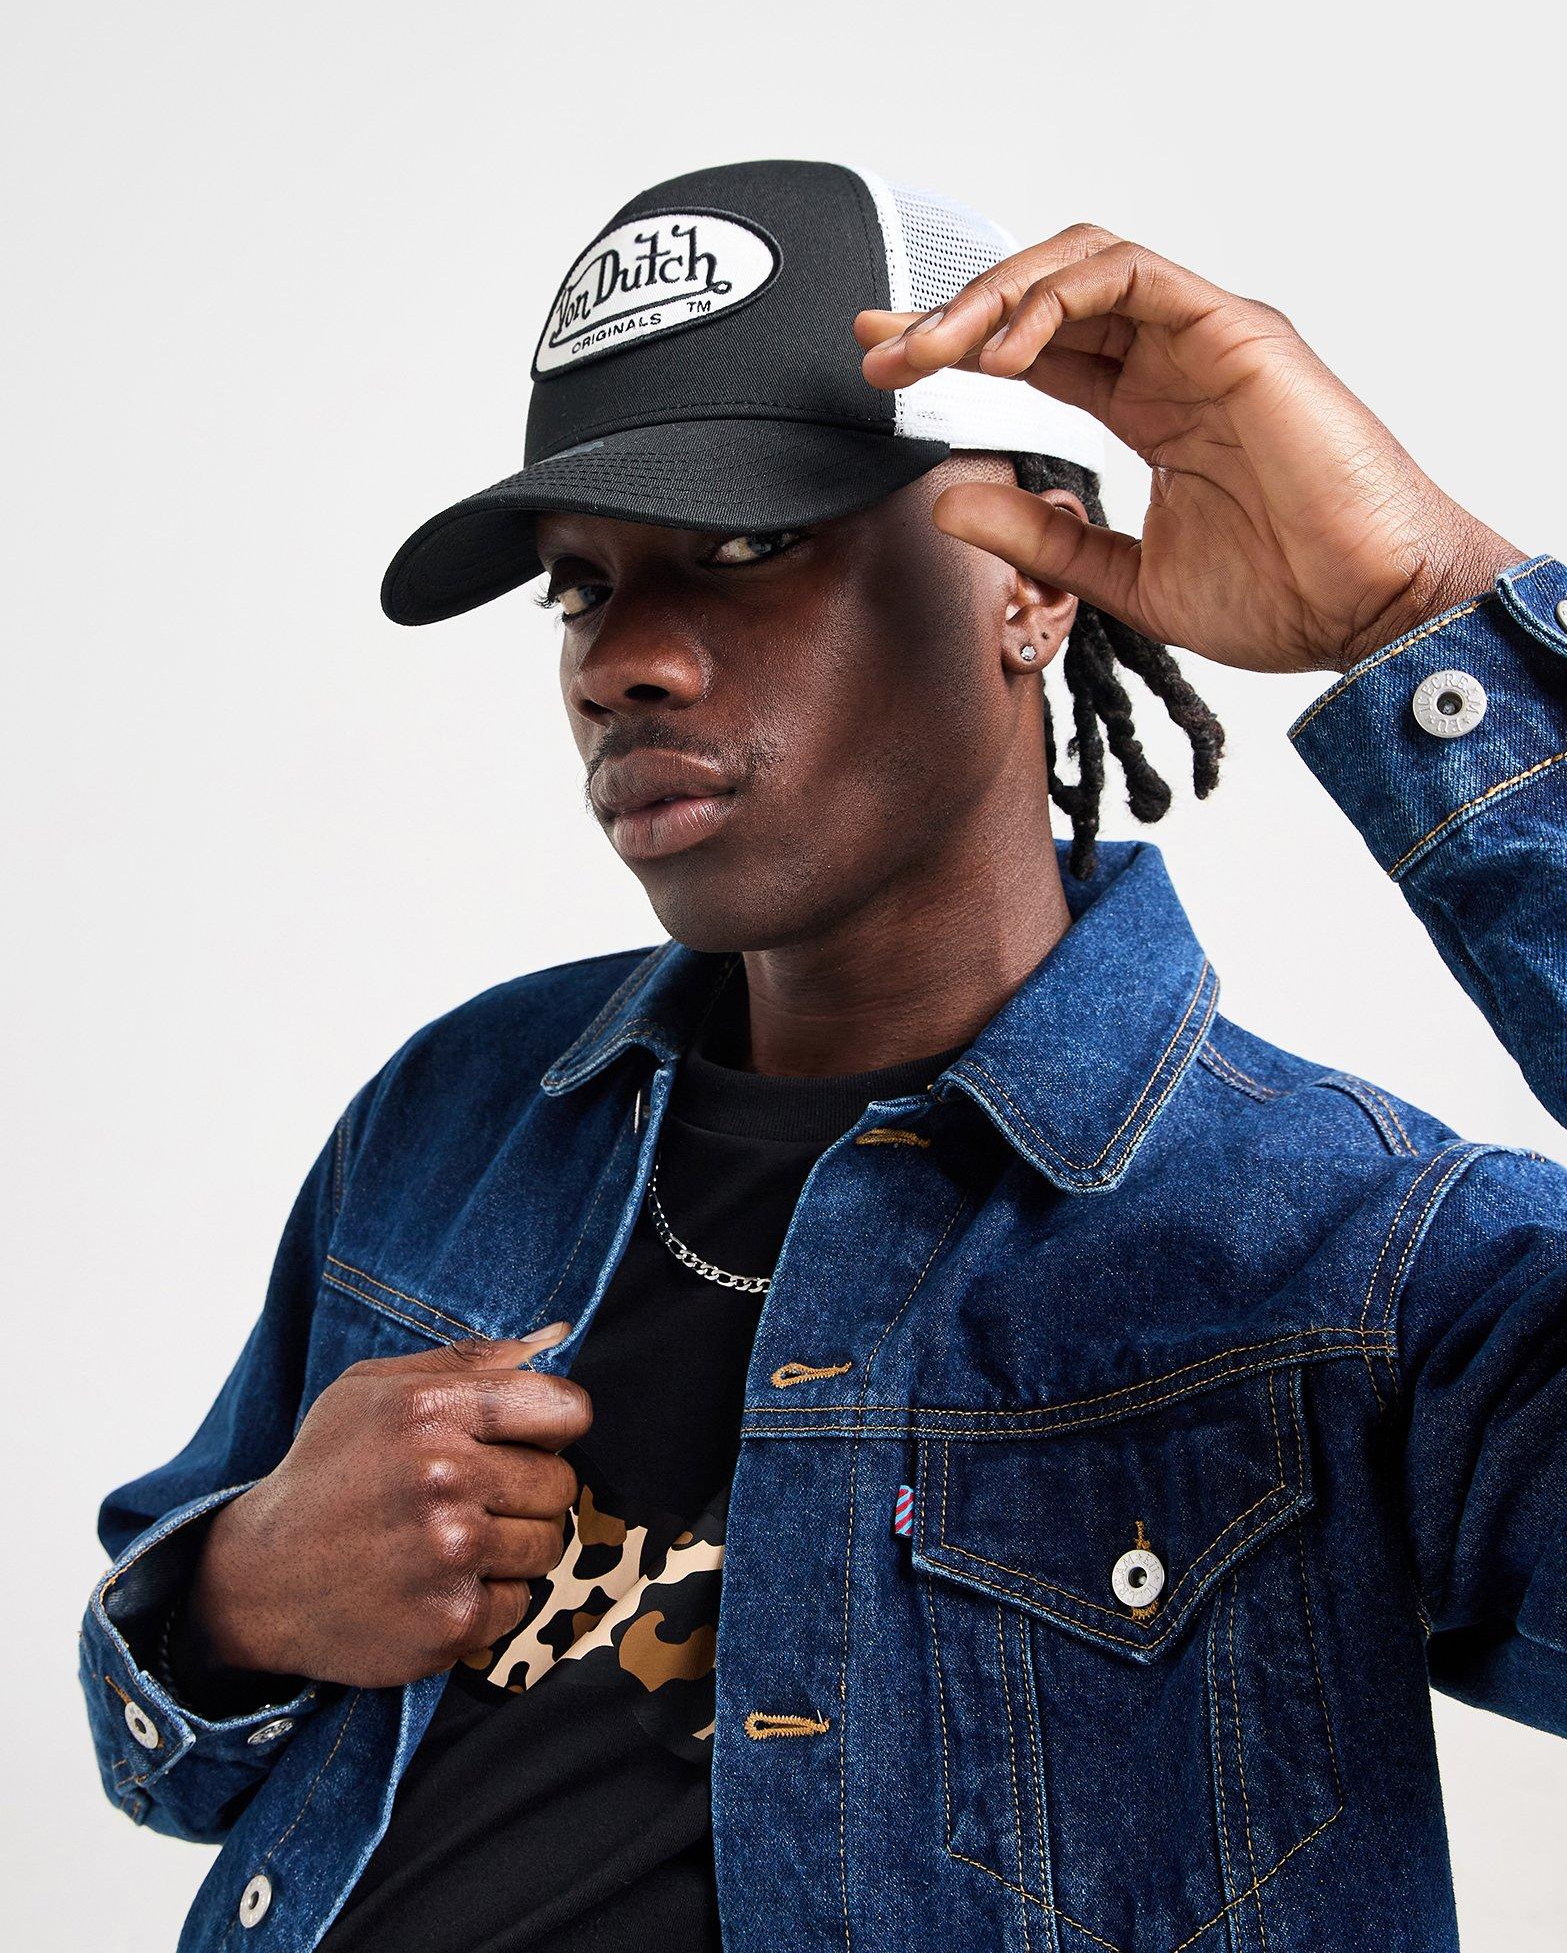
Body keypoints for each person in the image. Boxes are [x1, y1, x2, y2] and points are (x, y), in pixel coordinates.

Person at [80, 159, 1567, 1953]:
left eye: (749, 546)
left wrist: (1422, 607)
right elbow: (160, 1738)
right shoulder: (460, 1109)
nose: (622, 662)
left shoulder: (1358, 1253)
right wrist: (238, 1594)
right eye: (579, 586)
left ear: (1030, 579)